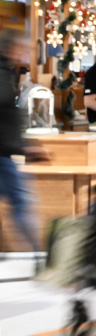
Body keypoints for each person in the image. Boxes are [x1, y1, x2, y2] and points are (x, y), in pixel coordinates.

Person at [0, 30, 47, 262]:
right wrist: (22, 148)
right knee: (22, 201)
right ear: (11, 49)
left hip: (6, 153)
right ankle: (38, 255)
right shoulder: (2, 76)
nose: (26, 54)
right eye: (24, 49)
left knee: (18, 200)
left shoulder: (7, 73)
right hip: (3, 154)